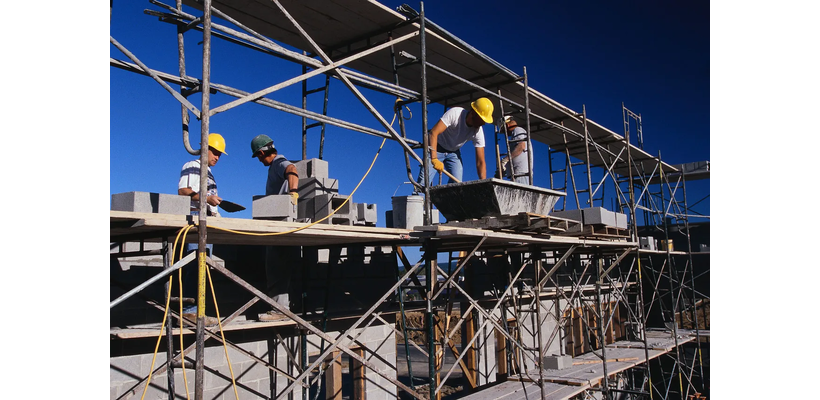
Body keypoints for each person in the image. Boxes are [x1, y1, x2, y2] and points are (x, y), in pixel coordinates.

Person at [176, 133, 228, 326]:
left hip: (208, 223)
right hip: (195, 222)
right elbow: (183, 192)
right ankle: (189, 312)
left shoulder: (208, 172)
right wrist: (206, 198)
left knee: (203, 267)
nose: (217, 157)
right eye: (215, 152)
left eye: (220, 154)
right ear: (205, 148)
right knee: (195, 266)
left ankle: (199, 311)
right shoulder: (192, 166)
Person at [250, 134, 300, 321]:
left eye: (258, 157)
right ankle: (283, 308)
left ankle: (280, 311)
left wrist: (293, 193)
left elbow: (292, 169)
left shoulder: (279, 162)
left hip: (280, 225)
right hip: (277, 223)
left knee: (276, 266)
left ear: (262, 153)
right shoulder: (274, 166)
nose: (259, 160)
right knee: (280, 266)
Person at [417, 97, 494, 185]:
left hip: (453, 152)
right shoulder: (455, 114)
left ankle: (446, 198)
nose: (483, 123)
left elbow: (480, 161)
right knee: (423, 183)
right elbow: (433, 133)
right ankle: (419, 196)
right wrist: (434, 158)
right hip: (436, 147)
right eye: (481, 120)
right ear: (473, 113)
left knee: (457, 183)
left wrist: (483, 183)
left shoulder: (478, 131)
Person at [498, 116, 531, 184]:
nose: (505, 133)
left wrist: (505, 159)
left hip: (520, 175)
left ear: (507, 125)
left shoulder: (517, 130)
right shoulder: (517, 133)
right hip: (518, 175)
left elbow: (521, 146)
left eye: (504, 130)